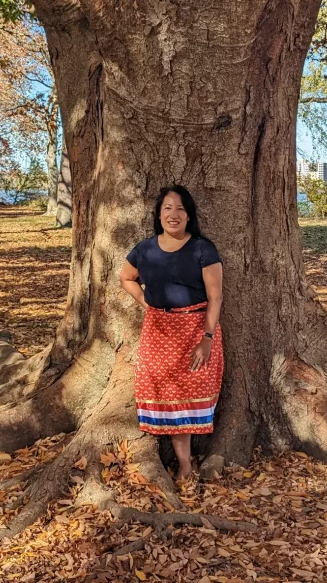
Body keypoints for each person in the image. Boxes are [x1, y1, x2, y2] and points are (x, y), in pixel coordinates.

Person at [120, 185, 224, 479]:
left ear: (189, 216)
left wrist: (207, 339)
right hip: (157, 331)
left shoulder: (203, 249)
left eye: (180, 209)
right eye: (167, 208)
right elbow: (126, 278)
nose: (173, 214)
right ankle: (183, 464)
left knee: (189, 397)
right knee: (163, 394)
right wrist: (146, 301)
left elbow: (215, 298)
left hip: (195, 330)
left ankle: (185, 467)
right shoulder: (145, 249)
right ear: (159, 214)